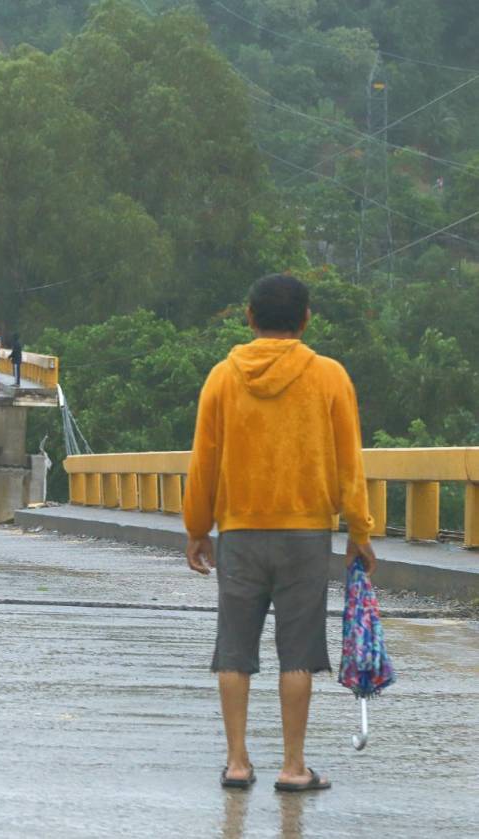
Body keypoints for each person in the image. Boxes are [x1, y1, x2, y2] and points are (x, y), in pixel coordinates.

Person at [183, 273, 376, 794]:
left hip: (241, 532)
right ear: (306, 319)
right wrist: (360, 529)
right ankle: (294, 767)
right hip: (306, 533)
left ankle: (238, 763)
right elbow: (348, 462)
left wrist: (198, 528)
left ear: (249, 317)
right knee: (299, 650)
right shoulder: (330, 377)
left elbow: (204, 460)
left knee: (234, 648)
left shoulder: (223, 377)